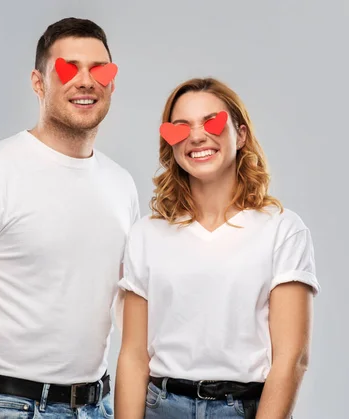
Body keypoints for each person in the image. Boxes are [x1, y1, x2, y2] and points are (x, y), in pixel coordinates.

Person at [0, 17, 139, 418]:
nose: (86, 81)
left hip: (98, 405)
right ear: (38, 82)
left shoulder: (121, 184)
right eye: (67, 68)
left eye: (100, 70)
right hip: (15, 405)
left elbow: (122, 305)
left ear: (112, 83)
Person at [115, 78, 320, 419]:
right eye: (180, 128)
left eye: (212, 122)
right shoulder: (146, 234)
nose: (196, 136)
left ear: (240, 135)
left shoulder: (282, 229)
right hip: (161, 408)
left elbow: (292, 358)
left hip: (243, 409)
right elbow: (134, 356)